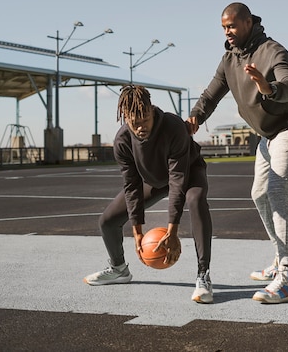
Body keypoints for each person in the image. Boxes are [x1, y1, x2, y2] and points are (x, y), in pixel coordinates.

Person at [186, 2, 288, 304]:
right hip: (267, 136)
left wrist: (267, 87)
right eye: (223, 28)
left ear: (247, 22)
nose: (227, 32)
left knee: (279, 191)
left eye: (231, 26)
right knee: (259, 194)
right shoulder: (229, 59)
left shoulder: (273, 51)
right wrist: (195, 118)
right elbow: (210, 93)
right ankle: (279, 258)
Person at [84, 84, 213, 304]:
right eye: (134, 122)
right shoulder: (123, 141)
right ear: (125, 117)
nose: (140, 126)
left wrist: (172, 230)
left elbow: (177, 180)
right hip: (153, 180)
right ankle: (119, 269)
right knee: (107, 221)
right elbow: (132, 186)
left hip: (188, 172)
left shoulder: (173, 127)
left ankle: (203, 275)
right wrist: (137, 232)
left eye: (145, 119)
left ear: (152, 110)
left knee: (195, 199)